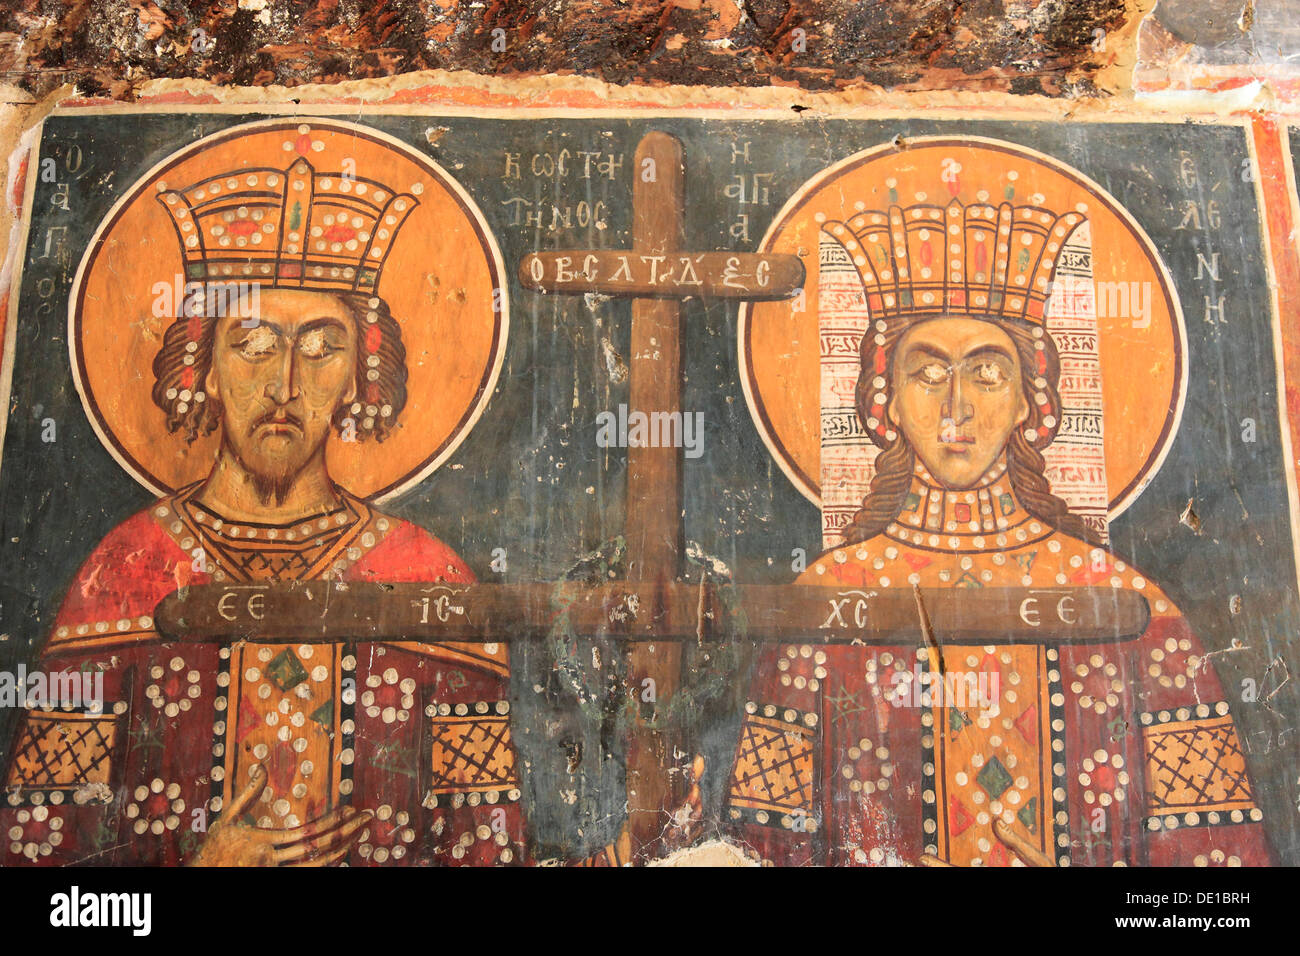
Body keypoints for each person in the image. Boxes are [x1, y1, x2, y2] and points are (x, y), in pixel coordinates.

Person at [0, 142, 631, 866]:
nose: (286, 385)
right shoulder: (125, 571)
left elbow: (483, 846)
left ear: (361, 379)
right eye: (254, 344)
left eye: (321, 347)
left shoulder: (428, 576)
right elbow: (44, 878)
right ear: (202, 368)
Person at [724, 193, 1273, 866]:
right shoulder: (826, 604)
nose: (956, 405)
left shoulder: (1135, 613)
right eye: (927, 374)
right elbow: (756, 849)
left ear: (1029, 400)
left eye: (986, 374)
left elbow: (1219, 890)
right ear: (884, 399)